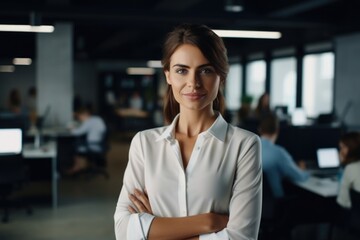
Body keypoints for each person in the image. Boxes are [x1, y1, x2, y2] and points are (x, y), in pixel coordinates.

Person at [114, 23, 262, 239]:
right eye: (182, 70)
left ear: (221, 76)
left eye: (206, 70)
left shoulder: (244, 145)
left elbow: (241, 237)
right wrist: (209, 222)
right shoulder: (144, 143)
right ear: (168, 76)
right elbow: (123, 230)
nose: (193, 83)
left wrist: (154, 228)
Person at [259, 113, 309, 198]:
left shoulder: (249, 149)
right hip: (276, 204)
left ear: (260, 130)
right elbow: (299, 177)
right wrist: (305, 170)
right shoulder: (279, 153)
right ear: (277, 130)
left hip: (254, 204)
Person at [66, 104, 107, 175]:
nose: (79, 119)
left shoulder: (88, 122)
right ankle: (82, 165)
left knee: (74, 146)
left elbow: (77, 133)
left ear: (84, 114)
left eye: (79, 117)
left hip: (92, 145)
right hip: (99, 144)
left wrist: (71, 129)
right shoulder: (97, 119)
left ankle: (77, 167)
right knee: (78, 142)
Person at [336, 131, 360, 209]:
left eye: (343, 147)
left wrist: (342, 163)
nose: (341, 151)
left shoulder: (351, 168)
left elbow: (343, 201)